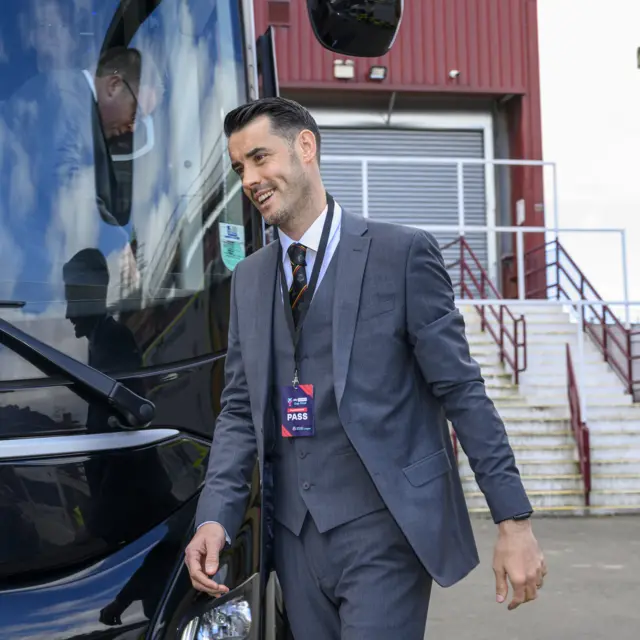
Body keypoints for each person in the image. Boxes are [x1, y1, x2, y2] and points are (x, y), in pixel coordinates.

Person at [184, 97, 547, 639]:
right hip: (295, 541)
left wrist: (512, 521)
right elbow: (239, 410)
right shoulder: (250, 279)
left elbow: (462, 392)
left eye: (260, 158)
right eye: (240, 168)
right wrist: (214, 516)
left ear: (305, 147)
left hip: (385, 532)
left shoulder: (402, 255)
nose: (251, 179)